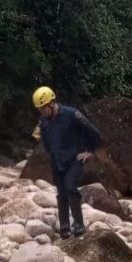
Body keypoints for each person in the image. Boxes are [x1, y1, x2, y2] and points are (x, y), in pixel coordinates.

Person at [32, 86, 101, 238]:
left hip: (74, 159)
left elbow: (93, 132)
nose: (42, 112)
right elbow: (46, 141)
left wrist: (90, 152)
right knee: (61, 193)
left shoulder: (72, 114)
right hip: (57, 162)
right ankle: (64, 226)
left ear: (51, 103)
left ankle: (78, 224)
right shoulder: (44, 122)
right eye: (39, 110)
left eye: (43, 108)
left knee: (70, 187)